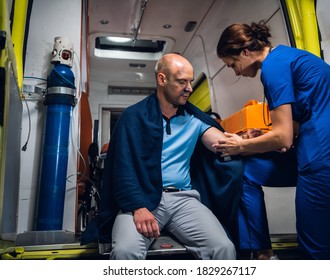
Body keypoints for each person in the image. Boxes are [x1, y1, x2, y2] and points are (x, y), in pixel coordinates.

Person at [214, 20, 330, 260]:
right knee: (246, 172)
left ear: (245, 52)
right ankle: (263, 252)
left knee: (315, 249)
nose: (237, 72)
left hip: (323, 159)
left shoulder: (273, 69)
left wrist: (240, 145)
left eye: (233, 65)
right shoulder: (288, 57)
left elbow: (283, 138)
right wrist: (263, 135)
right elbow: (300, 123)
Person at [98, 53, 243, 260]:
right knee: (125, 251)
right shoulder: (133, 117)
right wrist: (138, 207)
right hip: (141, 200)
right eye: (182, 81)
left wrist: (245, 141)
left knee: (223, 247)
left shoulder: (194, 119)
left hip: (184, 200)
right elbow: (122, 168)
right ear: (162, 79)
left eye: (191, 81)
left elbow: (221, 144)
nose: (190, 88)